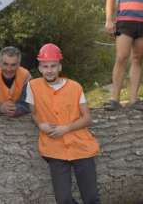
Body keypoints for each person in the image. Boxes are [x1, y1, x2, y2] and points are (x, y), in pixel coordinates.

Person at [26, 43, 100, 204]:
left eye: (53, 66)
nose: (49, 70)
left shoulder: (75, 87)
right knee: (63, 199)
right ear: (39, 68)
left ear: (60, 66)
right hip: (54, 149)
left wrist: (66, 128)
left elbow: (88, 119)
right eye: (45, 66)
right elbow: (33, 113)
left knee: (91, 198)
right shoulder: (32, 86)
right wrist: (40, 124)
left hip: (81, 147)